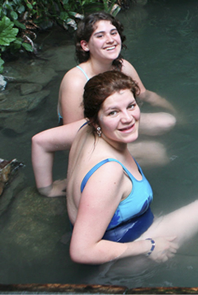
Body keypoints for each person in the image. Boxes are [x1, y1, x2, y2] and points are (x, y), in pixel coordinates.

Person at [66, 69, 198, 266]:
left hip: (123, 231)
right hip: (124, 257)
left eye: (131, 106)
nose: (128, 118)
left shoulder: (82, 131)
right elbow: (81, 251)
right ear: (95, 119)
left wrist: (50, 187)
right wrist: (149, 246)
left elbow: (42, 140)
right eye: (113, 112)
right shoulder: (108, 173)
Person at [32, 12, 176, 197]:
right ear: (85, 45)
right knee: (158, 153)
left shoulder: (122, 66)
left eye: (113, 33)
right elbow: (74, 137)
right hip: (89, 135)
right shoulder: (76, 81)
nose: (110, 40)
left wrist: (180, 115)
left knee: (167, 121)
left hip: (111, 121)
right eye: (100, 36)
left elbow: (146, 94)